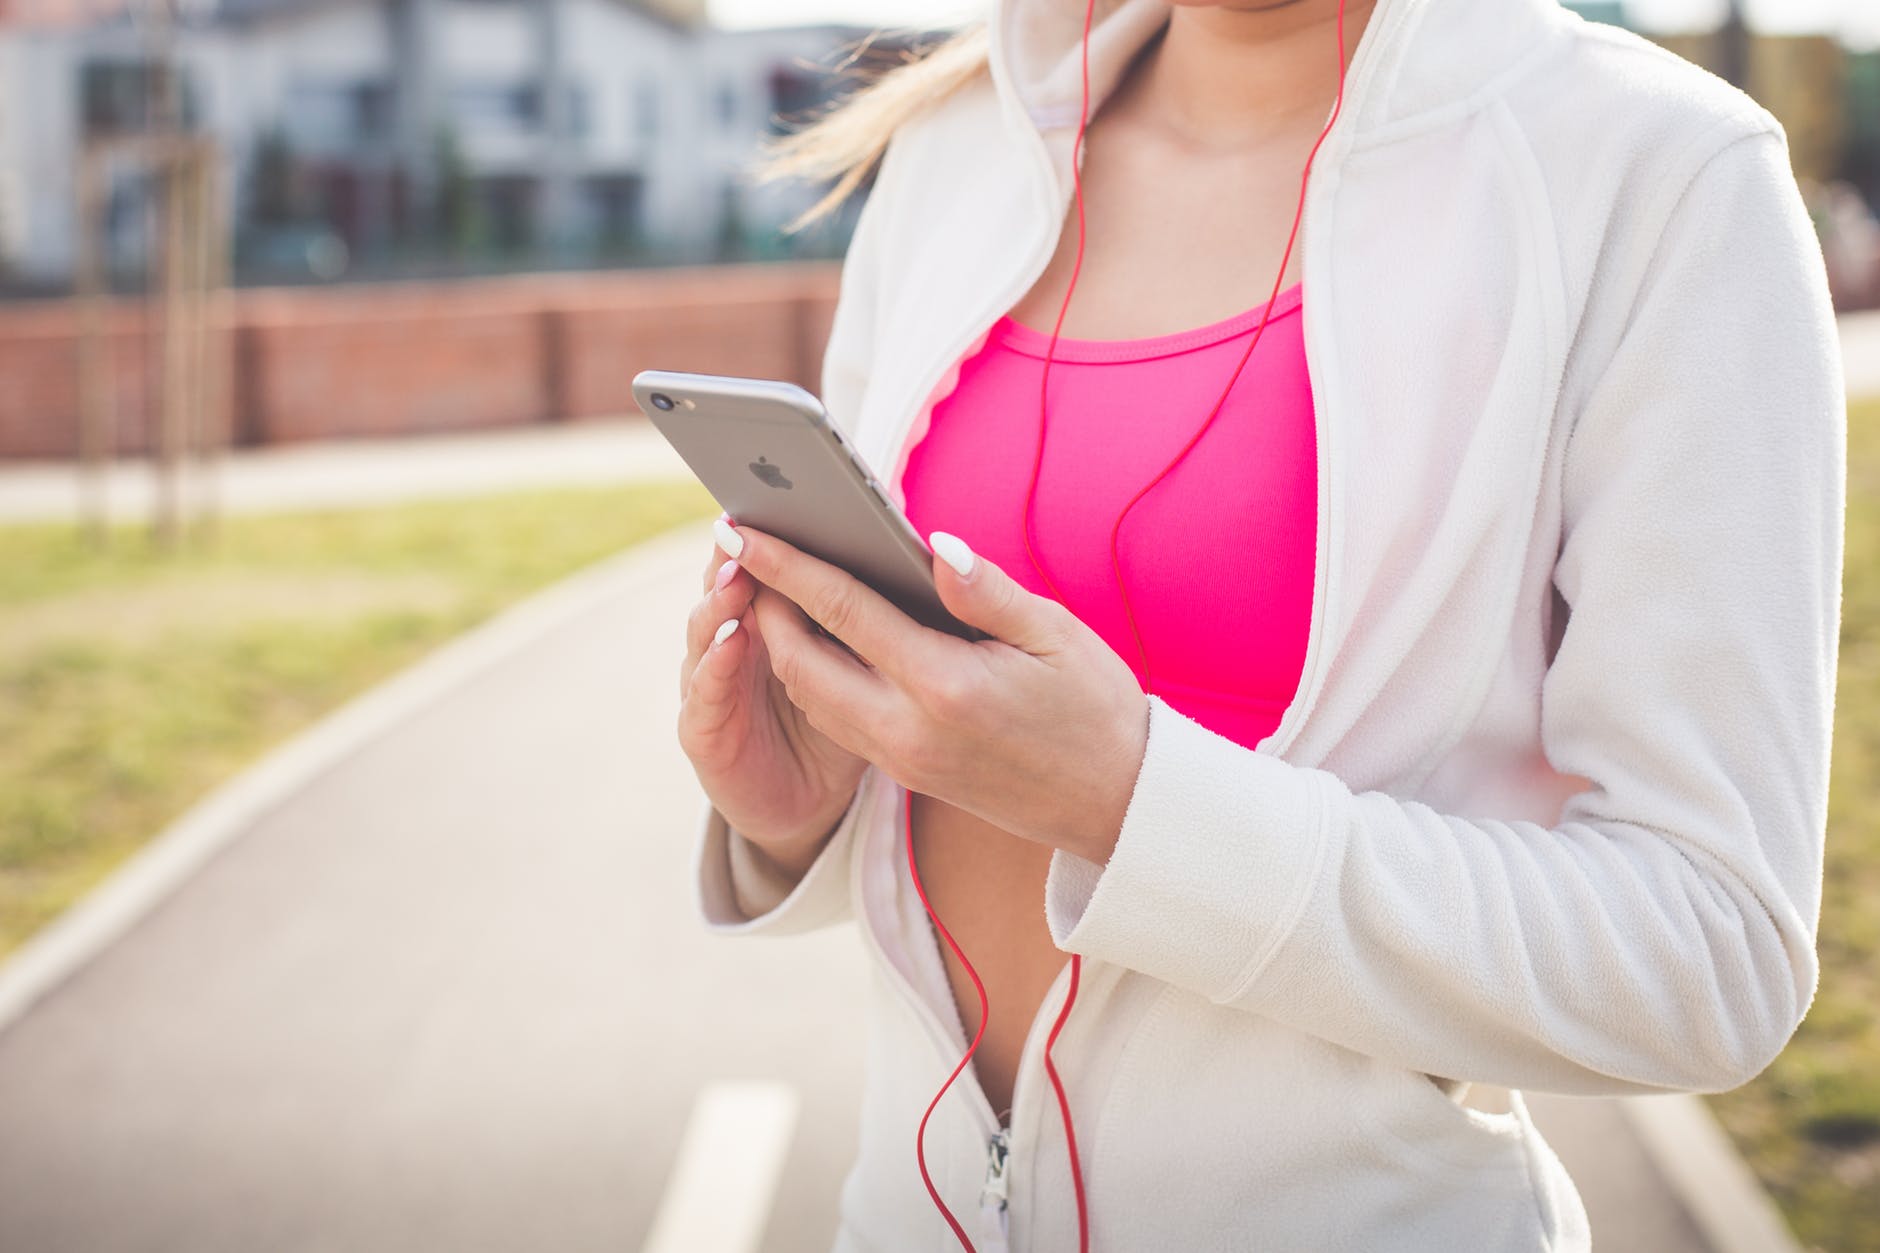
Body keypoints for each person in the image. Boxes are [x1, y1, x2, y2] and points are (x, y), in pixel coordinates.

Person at [675, 0, 1846, 1248]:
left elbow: (1707, 953)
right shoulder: (959, 141)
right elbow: (939, 765)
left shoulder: (1657, 173)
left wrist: (1132, 803)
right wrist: (795, 812)